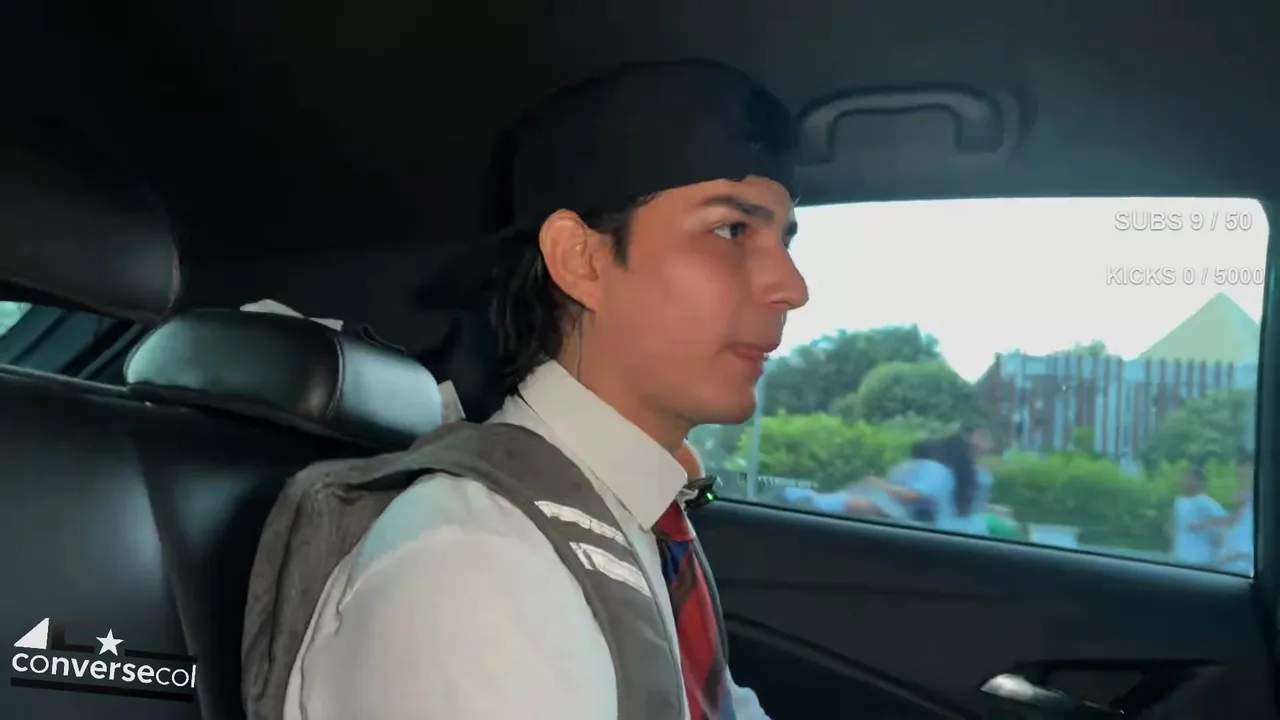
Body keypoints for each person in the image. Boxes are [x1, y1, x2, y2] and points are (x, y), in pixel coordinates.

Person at [284, 60, 805, 719]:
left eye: (786, 240)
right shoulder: (475, 574)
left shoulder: (637, 518)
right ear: (581, 260)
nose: (793, 287)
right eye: (732, 231)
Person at [880, 433, 989, 535]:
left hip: (945, 534)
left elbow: (911, 495)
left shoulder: (936, 470)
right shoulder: (974, 474)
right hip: (975, 532)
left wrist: (879, 485)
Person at [1170, 466, 1229, 566]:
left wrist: (1205, 524)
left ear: (1199, 482)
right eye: (1186, 478)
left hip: (1201, 560)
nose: (1186, 481)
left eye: (1190, 478)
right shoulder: (1179, 501)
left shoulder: (1207, 503)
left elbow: (1224, 526)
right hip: (1179, 557)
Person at [1216, 457, 1255, 574]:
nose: (1241, 483)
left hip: (1244, 570)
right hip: (1229, 569)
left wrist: (1233, 556)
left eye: (1246, 477)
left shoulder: (1262, 511)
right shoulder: (1242, 510)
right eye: (1239, 477)